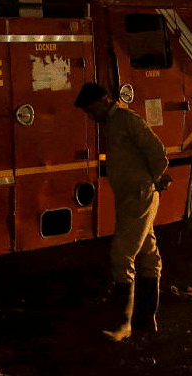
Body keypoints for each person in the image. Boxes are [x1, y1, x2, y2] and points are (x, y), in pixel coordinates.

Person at [74, 81, 173, 340]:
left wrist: (157, 177)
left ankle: (124, 323)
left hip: (139, 196)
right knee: (149, 255)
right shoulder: (115, 124)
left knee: (122, 254)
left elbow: (157, 151)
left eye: (91, 110)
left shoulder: (127, 119)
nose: (91, 116)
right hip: (132, 197)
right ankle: (146, 320)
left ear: (104, 100)